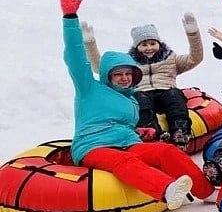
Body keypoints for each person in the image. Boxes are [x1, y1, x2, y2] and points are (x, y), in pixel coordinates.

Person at [59, 0, 212, 210]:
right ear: (108, 76)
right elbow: (75, 57)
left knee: (166, 151)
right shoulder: (89, 89)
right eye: (118, 74)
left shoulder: (131, 100)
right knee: (125, 162)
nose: (123, 79)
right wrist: (70, 18)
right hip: (93, 147)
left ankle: (206, 191)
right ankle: (167, 190)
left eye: (128, 74)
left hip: (127, 143)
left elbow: (120, 125)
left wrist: (139, 132)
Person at [82, 15, 203, 149]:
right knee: (139, 98)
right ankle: (153, 133)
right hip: (143, 94)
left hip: (166, 92)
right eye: (143, 44)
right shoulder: (129, 62)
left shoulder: (171, 59)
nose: (149, 48)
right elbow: (101, 67)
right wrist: (89, 43)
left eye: (152, 43)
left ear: (159, 43)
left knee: (174, 95)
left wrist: (193, 34)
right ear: (137, 46)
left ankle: (180, 131)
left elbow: (195, 58)